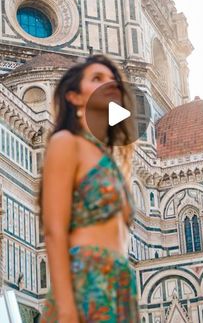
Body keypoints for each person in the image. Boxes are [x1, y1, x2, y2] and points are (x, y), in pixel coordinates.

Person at [39, 54, 140, 322]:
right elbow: (54, 229)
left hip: (119, 282)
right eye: (97, 78)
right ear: (75, 97)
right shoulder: (65, 142)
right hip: (85, 278)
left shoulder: (110, 158)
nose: (109, 84)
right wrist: (66, 309)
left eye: (113, 79)